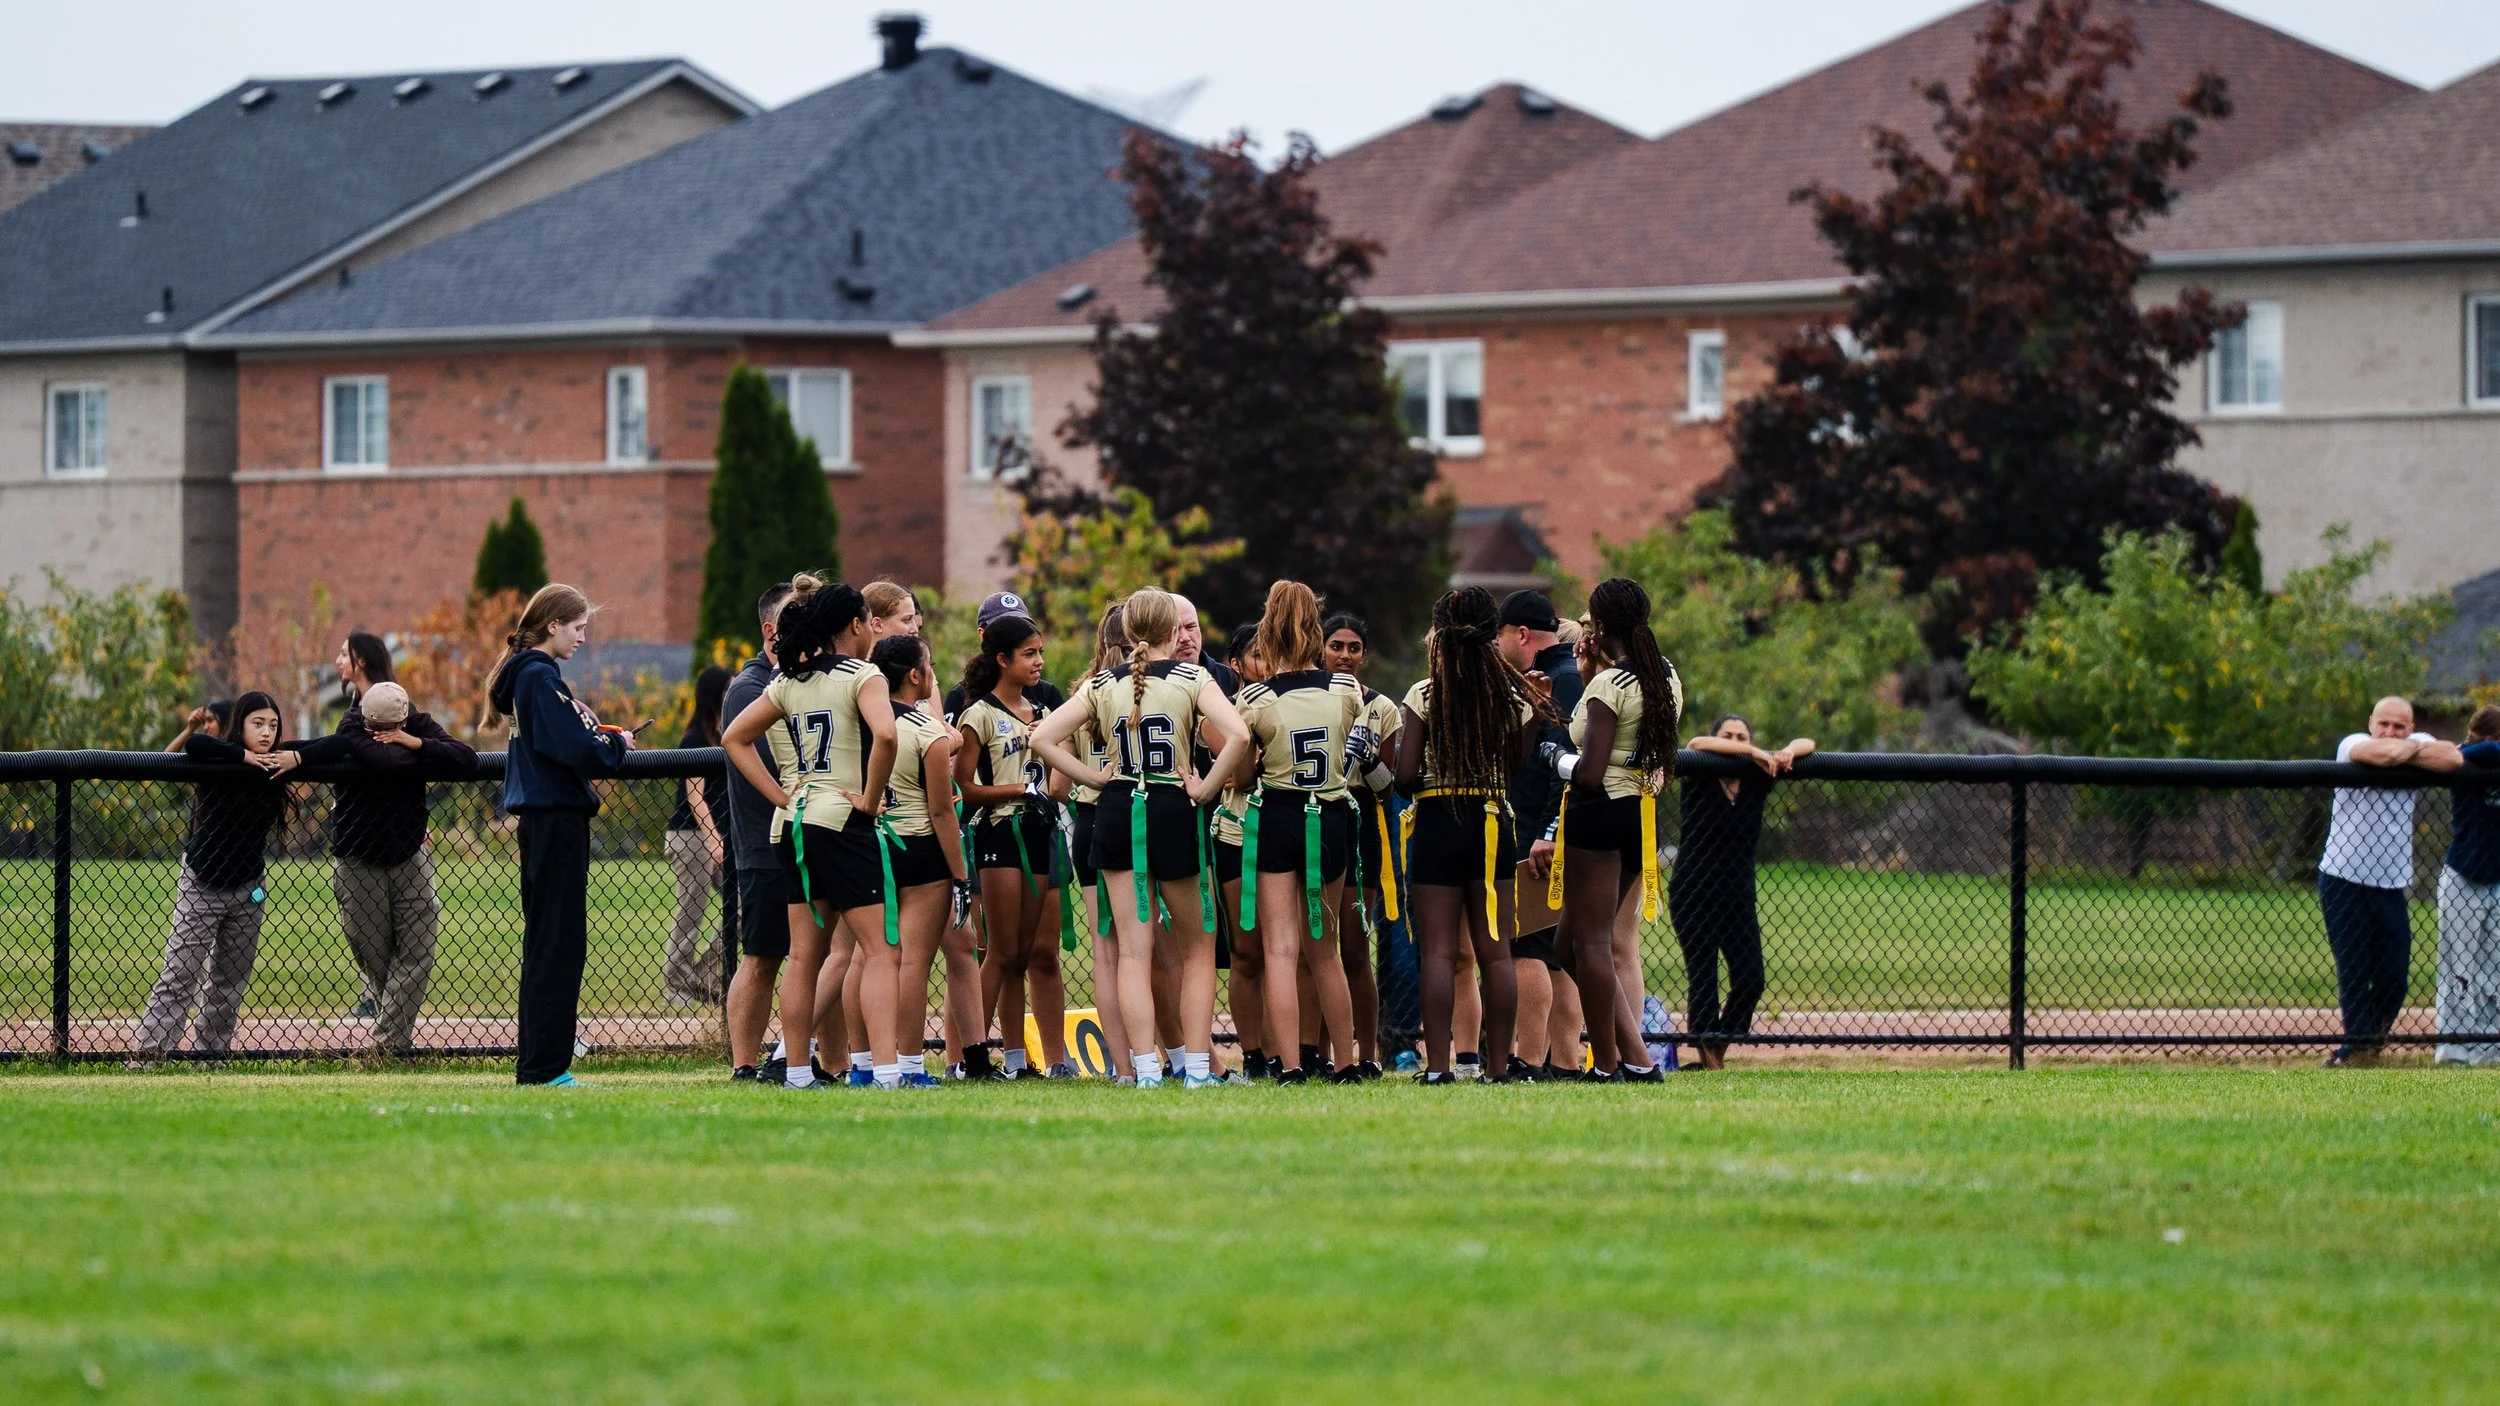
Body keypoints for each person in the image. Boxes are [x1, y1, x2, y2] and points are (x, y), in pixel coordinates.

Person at [1030, 587, 1250, 1088]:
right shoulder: (1192, 676)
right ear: (1174, 632)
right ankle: (1196, 1070)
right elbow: (1237, 735)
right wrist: (1204, 787)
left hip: (1115, 811)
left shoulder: (1102, 682)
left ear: (1129, 633)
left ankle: (1145, 1070)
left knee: (1132, 950)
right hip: (1172, 808)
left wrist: (1093, 778)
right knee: (1198, 948)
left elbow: (1040, 737)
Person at [723, 575, 899, 1089]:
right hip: (842, 820)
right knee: (881, 951)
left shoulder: (786, 681)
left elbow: (734, 739)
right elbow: (886, 734)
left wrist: (783, 795)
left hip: (794, 823)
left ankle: (798, 1071)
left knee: (803, 956)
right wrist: (870, 796)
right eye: (869, 621)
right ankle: (887, 1071)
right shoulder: (862, 675)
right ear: (855, 625)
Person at [133, 693, 340, 1063]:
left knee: (229, 982)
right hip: (203, 882)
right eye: (257, 724)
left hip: (248, 888)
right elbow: (195, 743)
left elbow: (341, 744)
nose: (266, 733)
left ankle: (211, 1053)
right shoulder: (219, 756)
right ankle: (151, 1054)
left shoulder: (280, 760)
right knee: (181, 972)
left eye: (273, 725)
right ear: (240, 725)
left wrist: (299, 756)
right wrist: (243, 756)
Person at [484, 584, 633, 1087]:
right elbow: (572, 746)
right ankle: (546, 1067)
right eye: (577, 628)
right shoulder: (538, 676)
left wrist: (596, 734)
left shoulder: (530, 677)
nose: (582, 638)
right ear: (553, 625)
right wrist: (614, 746)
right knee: (558, 944)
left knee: (548, 941)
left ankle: (540, 1063)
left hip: (543, 822)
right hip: (555, 820)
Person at [1393, 587, 1539, 1083]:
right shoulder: (1512, 693)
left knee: (1436, 951)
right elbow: (1516, 765)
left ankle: (1437, 1068)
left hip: (1436, 818)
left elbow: (1406, 775)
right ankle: (1497, 1068)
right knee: (1495, 950)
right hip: (1493, 820)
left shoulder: (1425, 692)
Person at [1233, 580, 1366, 1083]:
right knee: (1326, 949)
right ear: (1316, 627)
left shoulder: (1256, 698)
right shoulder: (1346, 689)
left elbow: (1244, 777)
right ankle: (1347, 1063)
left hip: (1280, 814)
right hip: (1331, 814)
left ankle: (1289, 1065)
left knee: (1281, 950)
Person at [1549, 578, 1681, 1081]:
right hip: (1636, 815)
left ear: (1600, 626)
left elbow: (1589, 768)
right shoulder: (1664, 676)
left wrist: (1554, 756)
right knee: (1569, 946)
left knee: (1593, 944)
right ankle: (1637, 1058)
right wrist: (1587, 676)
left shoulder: (1611, 687)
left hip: (1598, 810)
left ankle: (1606, 1064)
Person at [943, 591, 1068, 1079]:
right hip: (999, 835)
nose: (1039, 662)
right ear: (1001, 658)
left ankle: (1018, 1060)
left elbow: (1059, 771)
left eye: (1040, 652)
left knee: (1026, 952)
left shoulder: (1045, 708)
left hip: (1039, 832)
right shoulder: (978, 713)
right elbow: (966, 787)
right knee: (999, 952)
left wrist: (1051, 787)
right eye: (1029, 654)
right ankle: (970, 1058)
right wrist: (1019, 788)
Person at [329, 678, 477, 1055]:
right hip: (358, 859)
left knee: (419, 948)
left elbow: (467, 758)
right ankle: (394, 1041)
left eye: (389, 730)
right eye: (373, 730)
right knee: (373, 953)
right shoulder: (349, 725)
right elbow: (382, 760)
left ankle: (386, 1046)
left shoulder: (419, 726)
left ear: (403, 720)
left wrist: (418, 744)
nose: (381, 736)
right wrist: (426, 757)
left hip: (409, 854)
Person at [2322, 696, 2461, 1066]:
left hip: (2391, 884)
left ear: (2411, 728)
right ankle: (2356, 1051)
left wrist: (2407, 750)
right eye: (2384, 724)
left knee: (2394, 976)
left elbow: (2452, 759)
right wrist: (2412, 753)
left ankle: (2371, 1041)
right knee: (2354, 969)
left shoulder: (2418, 743)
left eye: (2399, 727)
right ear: (2370, 722)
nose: (2390, 732)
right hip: (2342, 877)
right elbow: (2377, 755)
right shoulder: (2350, 744)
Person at [1674, 715, 1813, 1070]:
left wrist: (1783, 752)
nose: (1734, 742)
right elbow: (1694, 745)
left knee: (1751, 977)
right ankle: (1709, 1058)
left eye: (1742, 736)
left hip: (1737, 894)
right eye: (1728, 736)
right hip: (1693, 890)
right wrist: (1750, 750)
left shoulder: (1758, 777)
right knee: (1703, 975)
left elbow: (1806, 744)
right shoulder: (1699, 771)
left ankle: (1716, 1052)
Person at [864, 633, 964, 1088]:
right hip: (920, 852)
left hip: (871, 846)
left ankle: (865, 1062)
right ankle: (906, 1064)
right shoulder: (929, 731)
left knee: (867, 961)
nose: (933, 674)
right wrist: (960, 874)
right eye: (930, 665)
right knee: (912, 964)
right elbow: (942, 811)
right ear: (914, 675)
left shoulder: (863, 722)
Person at [1498, 590, 1582, 1082]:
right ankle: (1566, 1061)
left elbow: (1564, 764)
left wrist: (1548, 830)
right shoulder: (1566, 674)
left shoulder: (1561, 681)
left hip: (1536, 828)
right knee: (1553, 954)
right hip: (1543, 827)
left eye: (1502, 636)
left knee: (1525, 945)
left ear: (1522, 635)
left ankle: (1529, 1059)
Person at [722, 581, 797, 1084]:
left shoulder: (804, 682)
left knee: (817, 955)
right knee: (762, 956)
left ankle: (802, 1057)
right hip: (764, 846)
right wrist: (786, 801)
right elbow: (768, 759)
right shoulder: (750, 689)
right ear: (772, 630)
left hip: (808, 841)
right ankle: (744, 1064)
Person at [1324, 611, 1401, 1079]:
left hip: (1361, 818)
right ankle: (1315, 1049)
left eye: (1354, 648)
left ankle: (1367, 1052)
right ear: (1321, 650)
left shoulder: (1383, 709)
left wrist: (1365, 754)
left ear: (1364, 655)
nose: (1345, 655)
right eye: (1337, 646)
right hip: (1315, 814)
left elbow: (1388, 784)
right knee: (1316, 944)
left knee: (1353, 946)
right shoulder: (1306, 697)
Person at [1069, 606, 1140, 1082]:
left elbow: (1056, 785)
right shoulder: (1142, 686)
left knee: (1107, 949)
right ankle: (1166, 1054)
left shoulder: (1086, 689)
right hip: (1131, 813)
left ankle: (1123, 1067)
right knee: (1144, 947)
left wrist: (1092, 778)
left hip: (1090, 817)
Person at [1214, 627, 1269, 1079]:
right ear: (1236, 664)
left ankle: (1295, 1051)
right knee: (1247, 951)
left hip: (1288, 831)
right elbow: (1235, 774)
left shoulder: (1291, 699)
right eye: (1256, 655)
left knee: (1289, 950)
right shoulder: (1226, 709)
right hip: (1236, 832)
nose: (1265, 662)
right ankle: (1253, 1055)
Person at [662, 666, 734, 1006]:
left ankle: (701, 978)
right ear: (715, 695)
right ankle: (676, 983)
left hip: (716, 837)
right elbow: (694, 796)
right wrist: (713, 839)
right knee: (691, 913)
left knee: (745, 908)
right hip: (693, 837)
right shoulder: (695, 738)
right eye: (728, 689)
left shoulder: (726, 735)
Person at [2436, 705, 2500, 1066]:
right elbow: (2479, 751)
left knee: (2495, 966)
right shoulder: (2467, 759)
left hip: (2497, 881)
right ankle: (2454, 1050)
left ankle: (2490, 1049)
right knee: (2459, 967)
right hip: (2463, 878)